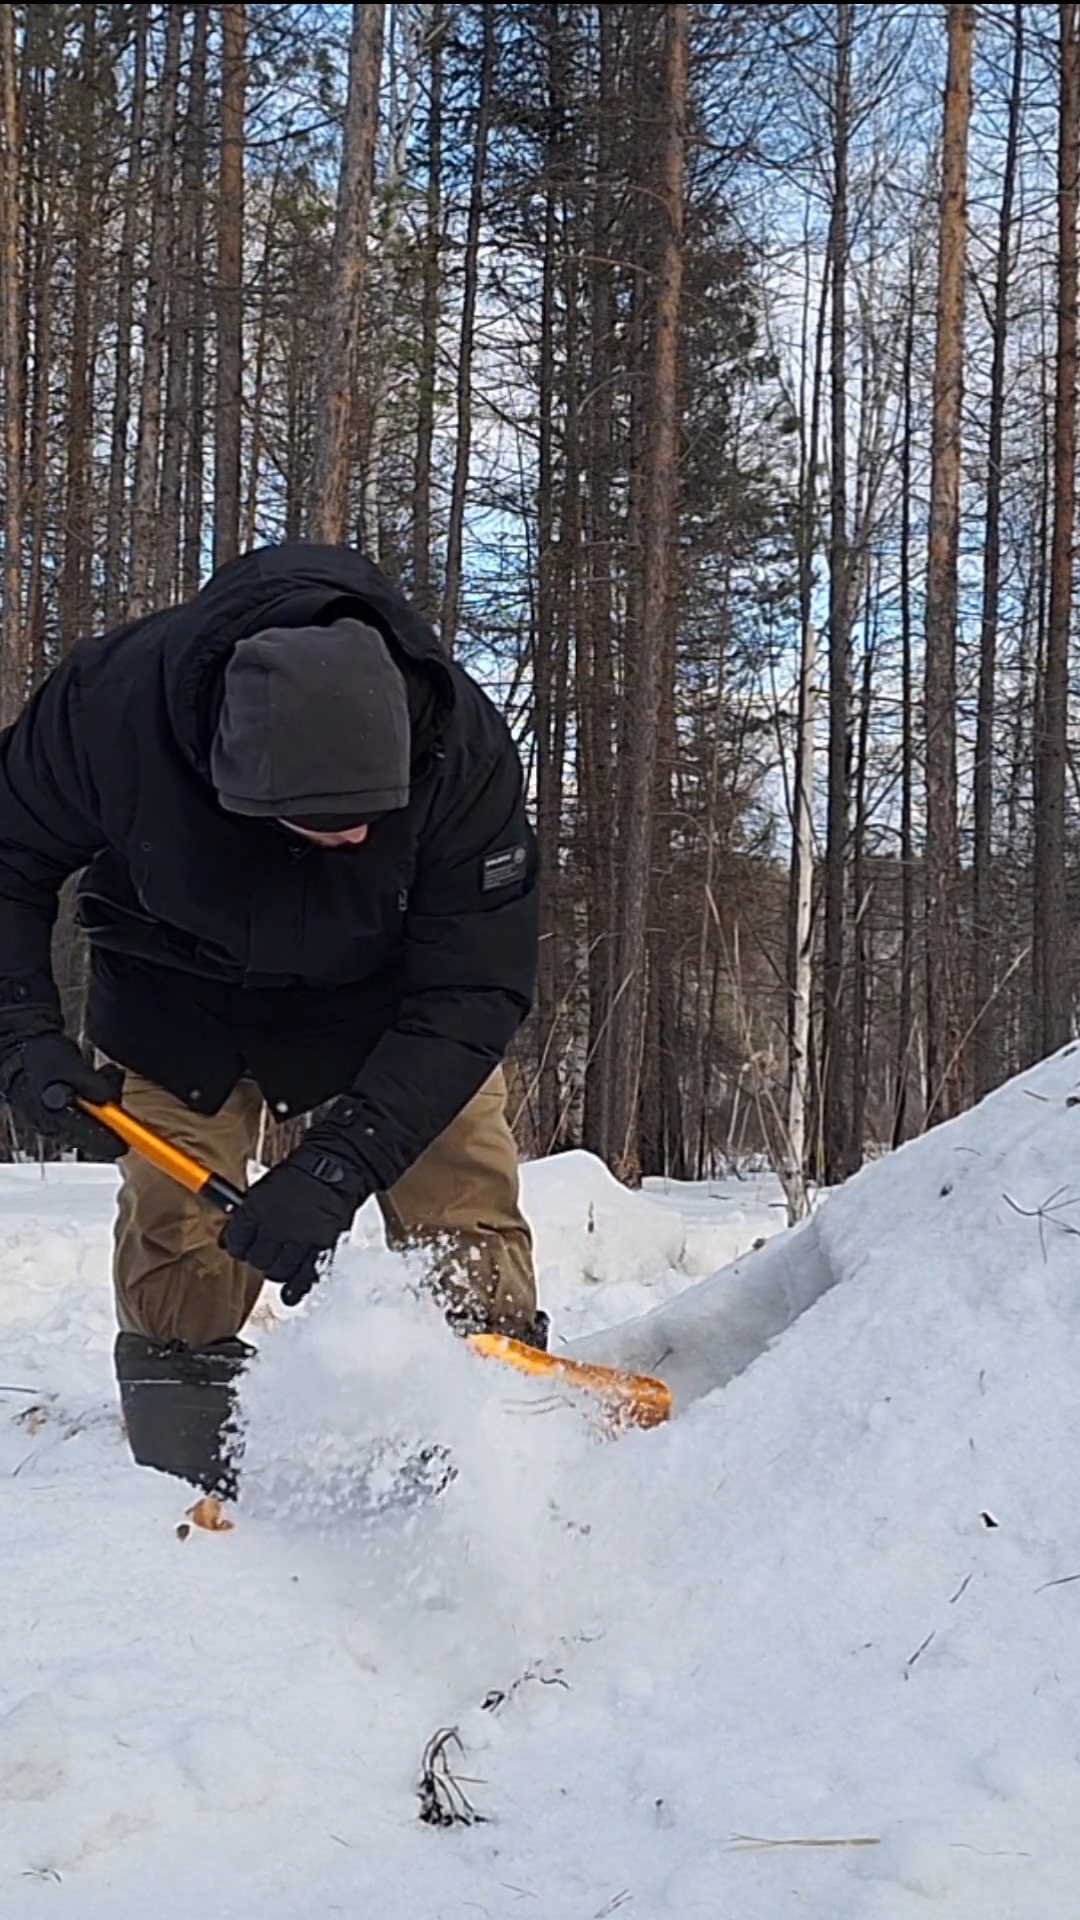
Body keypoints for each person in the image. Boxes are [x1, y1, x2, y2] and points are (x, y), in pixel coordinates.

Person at [0, 544, 541, 1493]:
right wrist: (19, 1031)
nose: (362, 838)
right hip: (178, 992)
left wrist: (339, 1165)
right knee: (181, 1236)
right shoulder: (106, 711)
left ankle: (496, 1414)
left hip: (392, 1001)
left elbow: (474, 991)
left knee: (460, 1183)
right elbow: (6, 861)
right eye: (331, 823)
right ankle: (182, 1422)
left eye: (378, 813)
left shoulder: (461, 751)